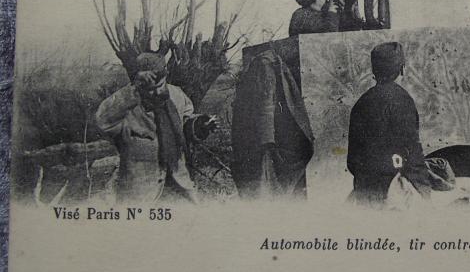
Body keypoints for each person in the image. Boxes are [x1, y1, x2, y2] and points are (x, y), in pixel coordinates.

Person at [96, 53, 217, 203]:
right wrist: (131, 92)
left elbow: (185, 122)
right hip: (140, 194)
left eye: (160, 86)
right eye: (149, 89)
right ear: (137, 83)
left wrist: (200, 125)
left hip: (179, 186)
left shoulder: (177, 95)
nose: (157, 92)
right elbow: (103, 122)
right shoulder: (125, 102)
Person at [346, 42, 431, 206]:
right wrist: (424, 191)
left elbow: (352, 160)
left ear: (374, 72)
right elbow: (412, 152)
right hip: (394, 194)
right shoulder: (403, 100)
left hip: (365, 191)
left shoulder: (361, 103)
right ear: (402, 69)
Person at [231, 47, 314, 199]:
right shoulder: (266, 63)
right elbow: (265, 104)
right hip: (266, 146)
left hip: (267, 144)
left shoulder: (266, 62)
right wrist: (267, 143)